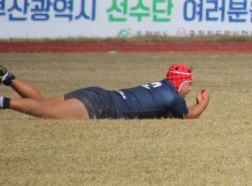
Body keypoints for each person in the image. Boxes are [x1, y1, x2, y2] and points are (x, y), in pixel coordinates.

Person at [0, 63, 210, 119]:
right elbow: (188, 115)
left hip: (98, 94)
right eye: (189, 85)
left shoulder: (161, 86)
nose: (189, 90)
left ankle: (7, 78)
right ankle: (4, 102)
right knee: (46, 113)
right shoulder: (172, 96)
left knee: (44, 104)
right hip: (101, 106)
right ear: (181, 83)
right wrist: (203, 101)